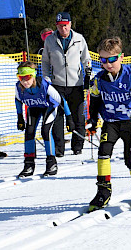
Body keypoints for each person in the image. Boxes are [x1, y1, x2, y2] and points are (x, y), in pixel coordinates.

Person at [86, 37, 131, 211]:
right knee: (103, 154)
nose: (108, 64)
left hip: (130, 123)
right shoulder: (99, 79)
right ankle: (103, 191)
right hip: (110, 123)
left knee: (130, 158)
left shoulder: (130, 76)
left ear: (121, 57)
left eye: (112, 59)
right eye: (103, 60)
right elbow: (94, 101)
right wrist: (93, 121)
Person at [42, 12, 92, 157]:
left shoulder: (79, 39)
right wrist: (46, 77)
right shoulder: (50, 40)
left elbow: (86, 58)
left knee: (78, 115)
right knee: (58, 117)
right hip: (57, 84)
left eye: (65, 25)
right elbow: (45, 61)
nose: (62, 29)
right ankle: (59, 148)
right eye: (59, 26)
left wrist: (88, 72)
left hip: (76, 84)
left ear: (70, 24)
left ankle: (78, 146)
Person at [15, 61, 75, 178]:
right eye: (21, 78)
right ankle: (29, 165)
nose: (24, 81)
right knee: (29, 133)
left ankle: (51, 163)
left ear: (33, 75)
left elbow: (61, 100)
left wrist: (69, 118)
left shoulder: (43, 85)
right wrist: (20, 118)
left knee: (45, 131)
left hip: (49, 107)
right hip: (34, 108)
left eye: (27, 77)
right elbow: (18, 100)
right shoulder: (19, 87)